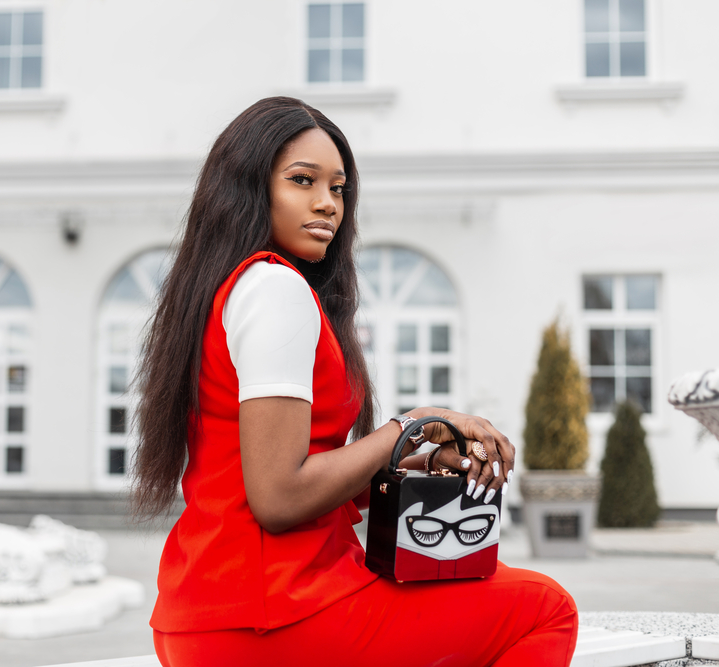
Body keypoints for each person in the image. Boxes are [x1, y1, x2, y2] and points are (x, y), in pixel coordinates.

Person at [133, 97, 578, 667]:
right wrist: (406, 428)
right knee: (544, 608)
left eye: (338, 188)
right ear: (246, 189)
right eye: (302, 180)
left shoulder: (219, 292)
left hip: (201, 617)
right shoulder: (275, 288)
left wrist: (416, 461)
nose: (327, 204)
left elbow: (273, 476)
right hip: (277, 618)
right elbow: (278, 497)